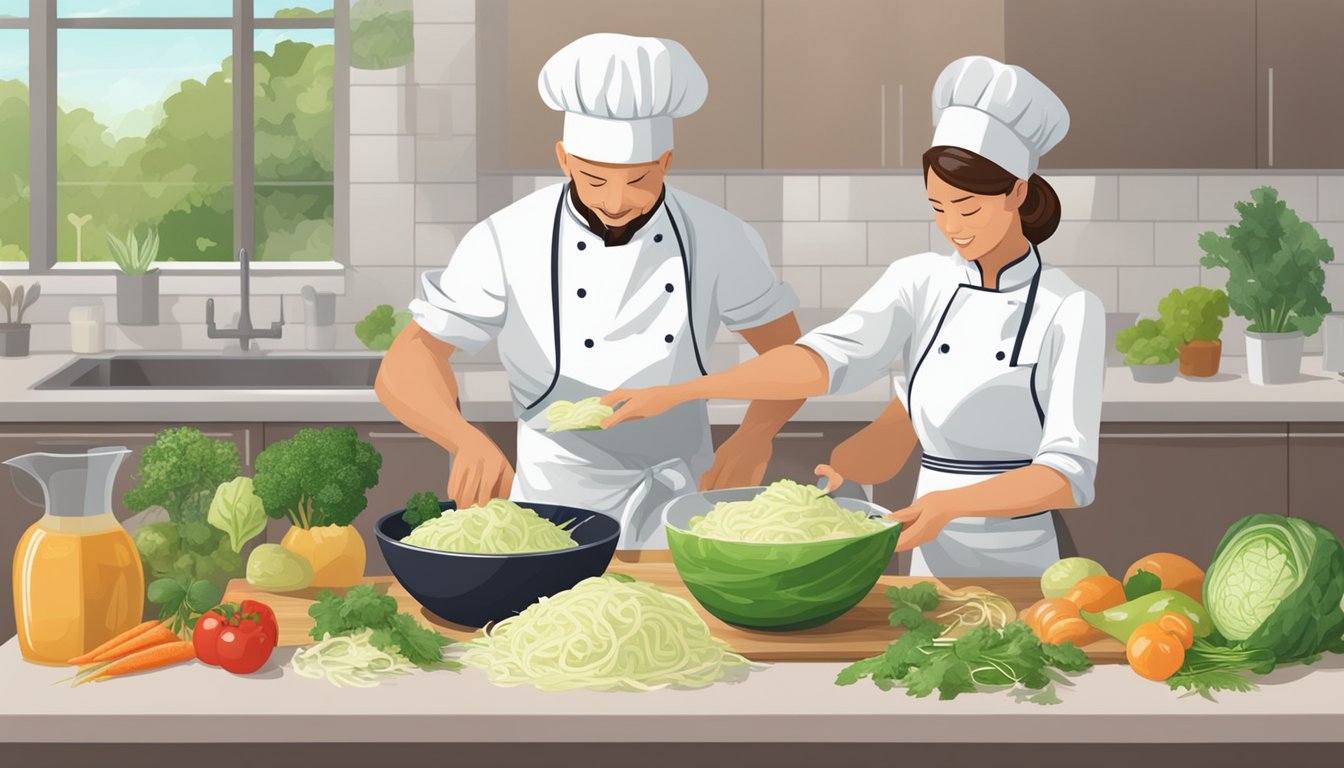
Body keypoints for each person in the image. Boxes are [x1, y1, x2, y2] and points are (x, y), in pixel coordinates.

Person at [602, 56, 1105, 576]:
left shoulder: (1069, 308)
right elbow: (822, 361)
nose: (951, 226)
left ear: (1017, 192)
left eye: (968, 208)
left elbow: (1067, 476)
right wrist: (683, 391)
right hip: (927, 549)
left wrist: (952, 504)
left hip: (1024, 557)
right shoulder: (921, 280)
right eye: (937, 207)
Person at [375, 33, 802, 549]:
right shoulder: (505, 238)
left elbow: (790, 356)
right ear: (563, 159)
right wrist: (463, 438)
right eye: (595, 180)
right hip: (549, 511)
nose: (617, 202)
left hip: (683, 500)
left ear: (665, 161)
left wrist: (756, 434)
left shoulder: (720, 236)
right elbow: (408, 360)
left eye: (639, 179)